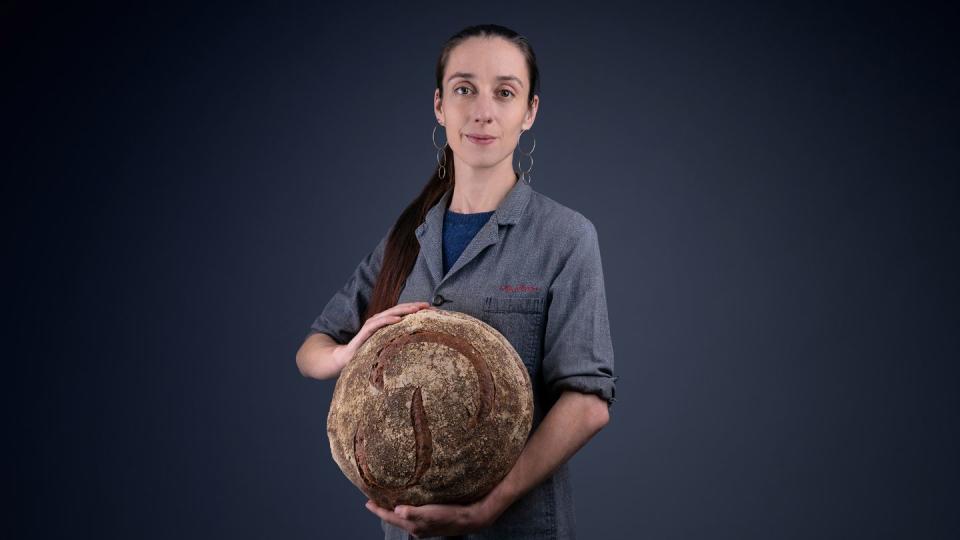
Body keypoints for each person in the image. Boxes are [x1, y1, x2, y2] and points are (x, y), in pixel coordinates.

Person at [296, 23, 617, 539]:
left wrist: (490, 505)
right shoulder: (406, 238)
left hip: (517, 527)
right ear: (440, 106)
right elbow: (311, 349)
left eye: (504, 92)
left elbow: (588, 401)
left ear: (529, 111)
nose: (482, 111)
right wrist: (343, 353)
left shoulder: (566, 236)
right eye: (464, 89)